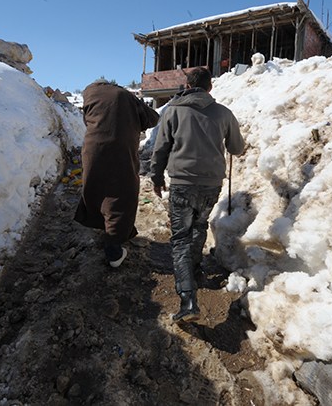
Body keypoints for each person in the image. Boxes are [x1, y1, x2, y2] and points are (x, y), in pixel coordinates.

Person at [149, 67, 245, 322]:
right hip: (211, 184)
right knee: (199, 225)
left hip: (182, 183)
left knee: (180, 238)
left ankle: (188, 299)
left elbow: (160, 149)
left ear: (187, 85)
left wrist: (157, 178)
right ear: (210, 87)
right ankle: (194, 269)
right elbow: (237, 148)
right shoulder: (224, 113)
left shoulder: (173, 111)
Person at [74, 79, 160, 268]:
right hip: (120, 152)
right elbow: (152, 118)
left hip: (92, 151)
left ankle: (103, 227)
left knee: (96, 188)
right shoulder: (125, 96)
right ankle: (113, 250)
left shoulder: (89, 95)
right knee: (120, 195)